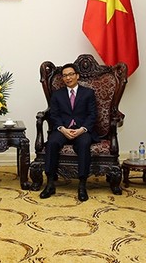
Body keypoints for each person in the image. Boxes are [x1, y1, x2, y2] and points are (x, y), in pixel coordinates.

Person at [39, 63, 98, 202]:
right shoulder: (57, 95)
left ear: (77, 76)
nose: (68, 78)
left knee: (84, 144)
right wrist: (62, 129)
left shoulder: (88, 93)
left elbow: (92, 115)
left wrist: (82, 130)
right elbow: (54, 115)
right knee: (52, 143)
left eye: (71, 74)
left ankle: (82, 185)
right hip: (63, 129)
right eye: (65, 75)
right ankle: (50, 184)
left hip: (82, 130)